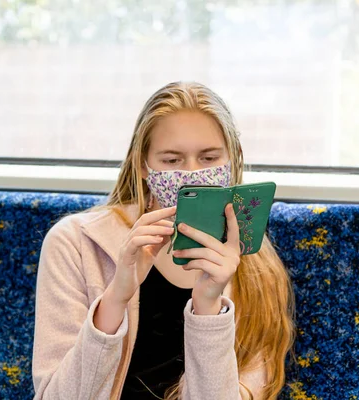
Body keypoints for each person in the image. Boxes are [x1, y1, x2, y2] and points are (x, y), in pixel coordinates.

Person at [32, 81, 295, 400]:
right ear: (142, 164)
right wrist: (115, 298)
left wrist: (208, 309)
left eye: (209, 158)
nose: (192, 175)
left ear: (233, 158)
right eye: (172, 161)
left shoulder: (257, 268)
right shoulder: (74, 243)